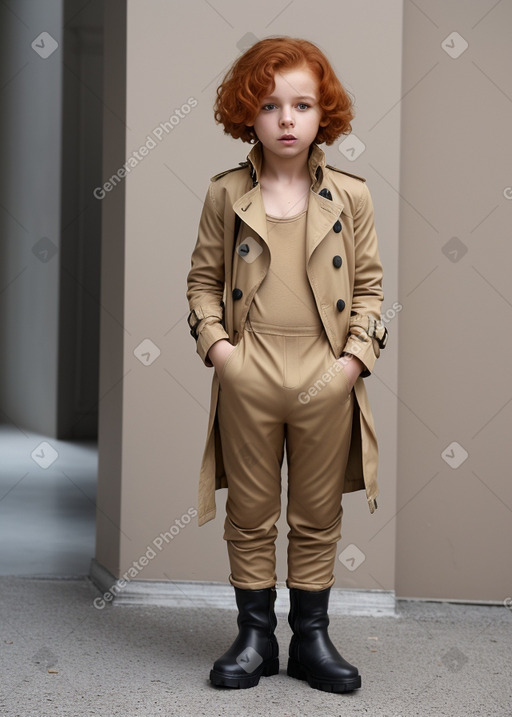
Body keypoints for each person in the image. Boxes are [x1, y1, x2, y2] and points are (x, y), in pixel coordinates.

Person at [186, 36, 387, 693]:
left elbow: (370, 293)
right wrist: (223, 354)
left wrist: (352, 364)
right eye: (270, 105)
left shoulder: (351, 197)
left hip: (326, 375)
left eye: (302, 104)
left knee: (317, 510)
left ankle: (312, 639)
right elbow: (201, 284)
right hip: (251, 372)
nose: (287, 119)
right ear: (248, 113)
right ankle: (253, 637)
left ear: (322, 112)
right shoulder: (224, 194)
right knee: (250, 509)